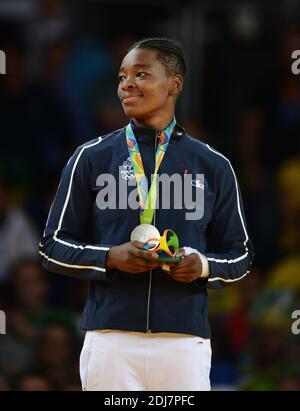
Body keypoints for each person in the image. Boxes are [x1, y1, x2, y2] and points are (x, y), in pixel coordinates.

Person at [40, 37, 254, 391]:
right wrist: (110, 257)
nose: (127, 84)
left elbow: (242, 255)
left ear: (174, 84)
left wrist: (201, 266)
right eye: (122, 76)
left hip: (183, 340)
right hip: (111, 336)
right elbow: (52, 246)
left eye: (141, 74)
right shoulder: (91, 157)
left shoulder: (213, 165)